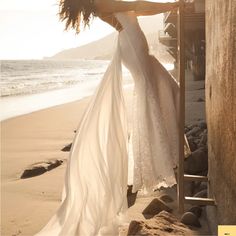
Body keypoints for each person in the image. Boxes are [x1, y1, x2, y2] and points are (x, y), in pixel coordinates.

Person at [35, 0, 180, 235]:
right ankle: (163, 156)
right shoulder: (101, 2)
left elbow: (136, 8)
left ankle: (167, 150)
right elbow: (138, 5)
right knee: (155, 94)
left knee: (167, 89)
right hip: (132, 46)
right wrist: (170, 6)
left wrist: (168, 7)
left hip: (133, 44)